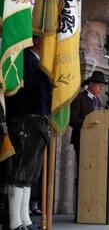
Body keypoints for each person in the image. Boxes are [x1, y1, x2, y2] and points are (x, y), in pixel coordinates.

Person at [5, 36, 51, 230]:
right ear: (37, 42)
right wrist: (44, 71)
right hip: (25, 118)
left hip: (38, 120)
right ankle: (15, 221)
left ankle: (25, 219)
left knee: (31, 173)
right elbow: (21, 85)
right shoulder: (24, 59)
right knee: (20, 171)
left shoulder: (40, 63)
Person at [70, 71, 108, 164]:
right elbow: (72, 119)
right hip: (82, 139)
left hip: (97, 140)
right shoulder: (80, 97)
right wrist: (88, 124)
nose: (101, 88)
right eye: (99, 85)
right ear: (91, 84)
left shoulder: (98, 101)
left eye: (102, 86)